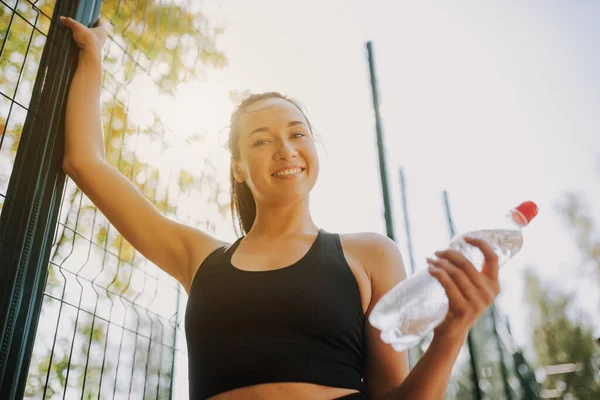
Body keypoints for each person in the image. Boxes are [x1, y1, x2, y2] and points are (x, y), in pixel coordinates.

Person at [60, 16, 501, 400]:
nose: (285, 149)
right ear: (238, 168)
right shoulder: (199, 258)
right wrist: (92, 57)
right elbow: (84, 162)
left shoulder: (371, 255)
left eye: (297, 133)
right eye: (261, 140)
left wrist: (451, 332)